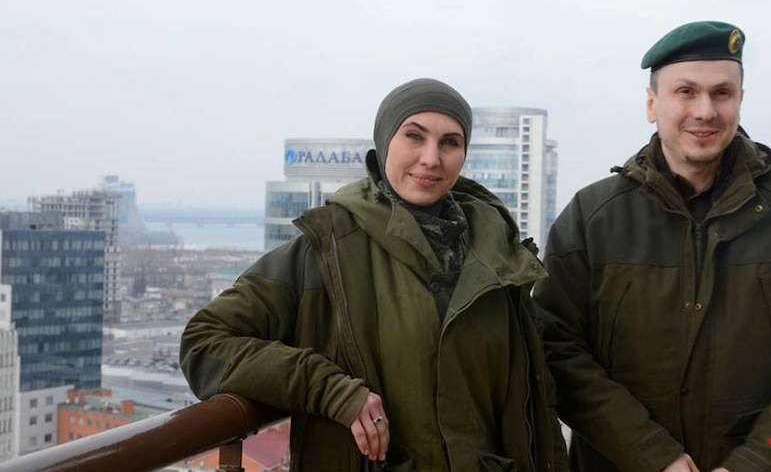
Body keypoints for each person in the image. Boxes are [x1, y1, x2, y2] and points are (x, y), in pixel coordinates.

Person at [180, 78, 569, 471]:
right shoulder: (325, 251)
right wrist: (329, 389)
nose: (431, 158)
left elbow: (536, 405)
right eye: (414, 136)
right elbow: (203, 344)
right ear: (384, 142)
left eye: (449, 142)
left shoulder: (498, 254)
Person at [533, 21, 771, 472]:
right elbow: (558, 348)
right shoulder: (592, 217)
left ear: (740, 101)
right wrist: (652, 455)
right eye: (685, 91)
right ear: (652, 104)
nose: (705, 111)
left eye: (722, 93)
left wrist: (758, 461)